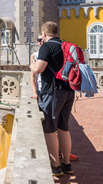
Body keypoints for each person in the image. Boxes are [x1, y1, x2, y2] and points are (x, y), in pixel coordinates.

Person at [31, 21, 75, 177]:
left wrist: (32, 66)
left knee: (50, 129)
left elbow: (38, 69)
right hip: (69, 91)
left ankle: (55, 166)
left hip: (53, 92)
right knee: (63, 128)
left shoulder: (47, 47)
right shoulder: (65, 45)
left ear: (44, 34)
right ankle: (67, 164)